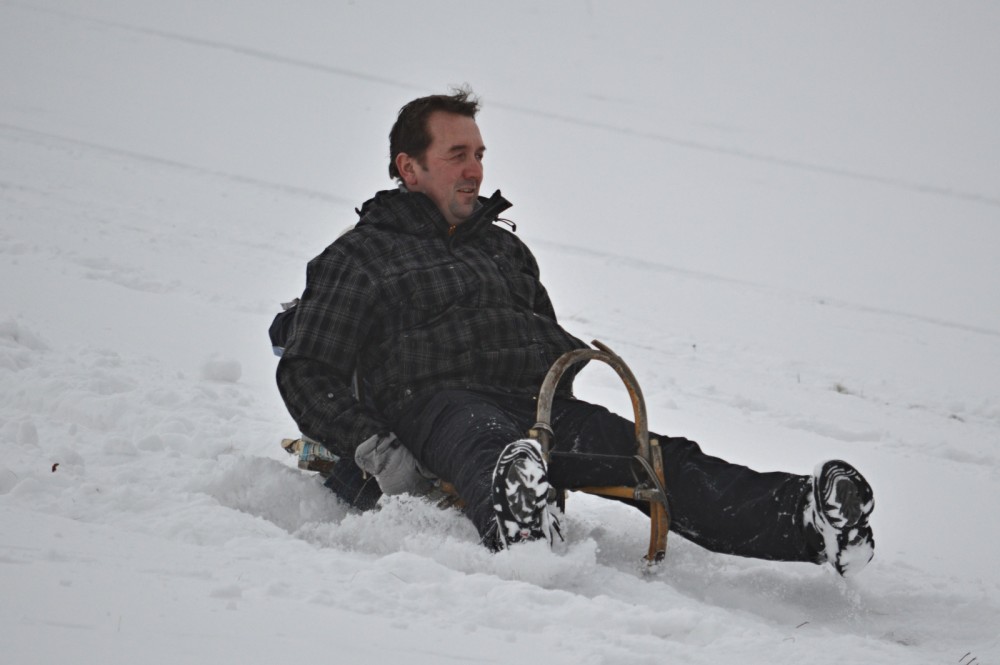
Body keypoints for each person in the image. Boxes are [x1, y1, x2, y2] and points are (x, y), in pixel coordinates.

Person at [275, 88, 875, 576]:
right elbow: (306, 371)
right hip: (434, 406)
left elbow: (540, 328)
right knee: (488, 444)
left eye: (479, 154)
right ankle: (520, 526)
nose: (475, 169)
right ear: (410, 167)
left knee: (658, 459)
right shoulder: (361, 256)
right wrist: (377, 451)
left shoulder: (502, 249)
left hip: (536, 408)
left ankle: (807, 517)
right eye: (457, 154)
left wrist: (559, 390)